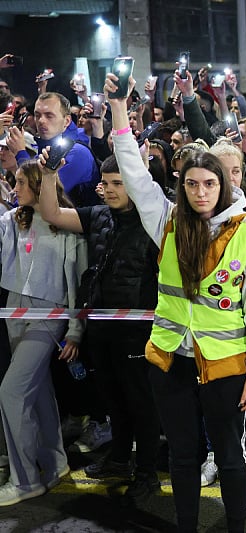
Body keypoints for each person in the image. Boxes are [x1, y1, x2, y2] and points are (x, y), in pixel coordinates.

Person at [105, 72, 246, 533]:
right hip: (170, 360)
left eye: (209, 184)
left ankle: (235, 526)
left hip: (225, 364)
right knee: (181, 455)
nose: (201, 192)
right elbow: (136, 176)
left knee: (230, 456)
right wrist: (119, 111)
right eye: (193, 184)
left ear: (223, 186)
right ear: (183, 186)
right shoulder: (168, 222)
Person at [38, 154, 162, 499]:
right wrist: (49, 175)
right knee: (113, 400)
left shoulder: (155, 220)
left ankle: (148, 473)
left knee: (141, 403)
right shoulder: (98, 215)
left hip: (139, 329)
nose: (108, 190)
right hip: (101, 326)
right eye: (106, 183)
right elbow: (51, 213)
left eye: (117, 183)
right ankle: (120, 459)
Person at [0, 159, 86, 506]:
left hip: (49, 315)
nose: (15, 189)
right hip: (14, 311)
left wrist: (76, 331)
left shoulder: (65, 222)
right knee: (37, 392)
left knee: (11, 392)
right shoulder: (12, 220)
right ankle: (55, 463)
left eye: (21, 183)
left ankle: (24, 481)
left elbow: (77, 282)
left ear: (39, 185)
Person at [9, 92, 100, 207]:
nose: (41, 121)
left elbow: (38, 197)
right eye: (37, 115)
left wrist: (20, 153)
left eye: (49, 115)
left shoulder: (77, 153)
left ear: (66, 121)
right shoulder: (44, 150)